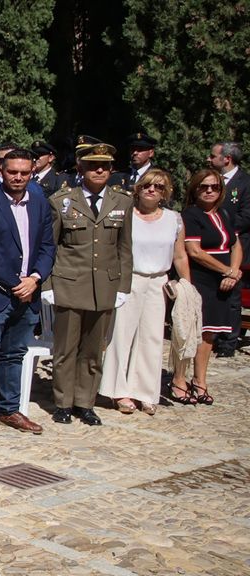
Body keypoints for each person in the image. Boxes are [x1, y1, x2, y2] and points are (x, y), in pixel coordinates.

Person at [0, 147, 55, 438]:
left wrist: (35, 278)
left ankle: (9, 409)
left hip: (29, 293)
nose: (18, 177)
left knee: (14, 353)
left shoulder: (39, 203)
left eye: (24, 172)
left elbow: (47, 247)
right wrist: (15, 282)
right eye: (12, 171)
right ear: (1, 170)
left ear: (32, 172)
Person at [45, 141, 133, 425]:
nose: (99, 170)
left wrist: (123, 286)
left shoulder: (122, 201)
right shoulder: (62, 201)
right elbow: (51, 246)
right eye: (93, 165)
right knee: (65, 349)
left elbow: (125, 248)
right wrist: (48, 285)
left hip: (104, 286)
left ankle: (85, 402)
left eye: (105, 166)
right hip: (70, 282)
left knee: (94, 350)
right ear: (80, 168)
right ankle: (62, 402)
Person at [100, 169, 185, 414]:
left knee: (152, 338)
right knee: (121, 334)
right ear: (138, 188)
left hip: (158, 281)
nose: (152, 190)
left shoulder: (174, 219)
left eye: (159, 187)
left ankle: (145, 391)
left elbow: (179, 255)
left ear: (165, 193)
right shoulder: (128, 214)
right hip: (131, 278)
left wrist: (187, 285)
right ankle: (119, 390)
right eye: (148, 185)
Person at [172, 168, 242, 405]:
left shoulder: (223, 213)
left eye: (215, 187)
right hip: (200, 278)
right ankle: (179, 380)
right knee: (190, 331)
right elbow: (194, 251)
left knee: (209, 335)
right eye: (204, 186)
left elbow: (235, 244)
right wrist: (226, 271)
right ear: (195, 189)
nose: (209, 191)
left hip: (224, 280)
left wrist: (234, 271)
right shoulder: (191, 215)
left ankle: (200, 381)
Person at [207, 141, 249, 356]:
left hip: (235, 245)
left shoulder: (245, 183)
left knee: (232, 294)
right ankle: (211, 333)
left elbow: (246, 216)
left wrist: (222, 230)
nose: (208, 159)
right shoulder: (211, 180)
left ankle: (228, 342)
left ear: (227, 159)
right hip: (212, 245)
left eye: (212, 156)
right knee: (213, 289)